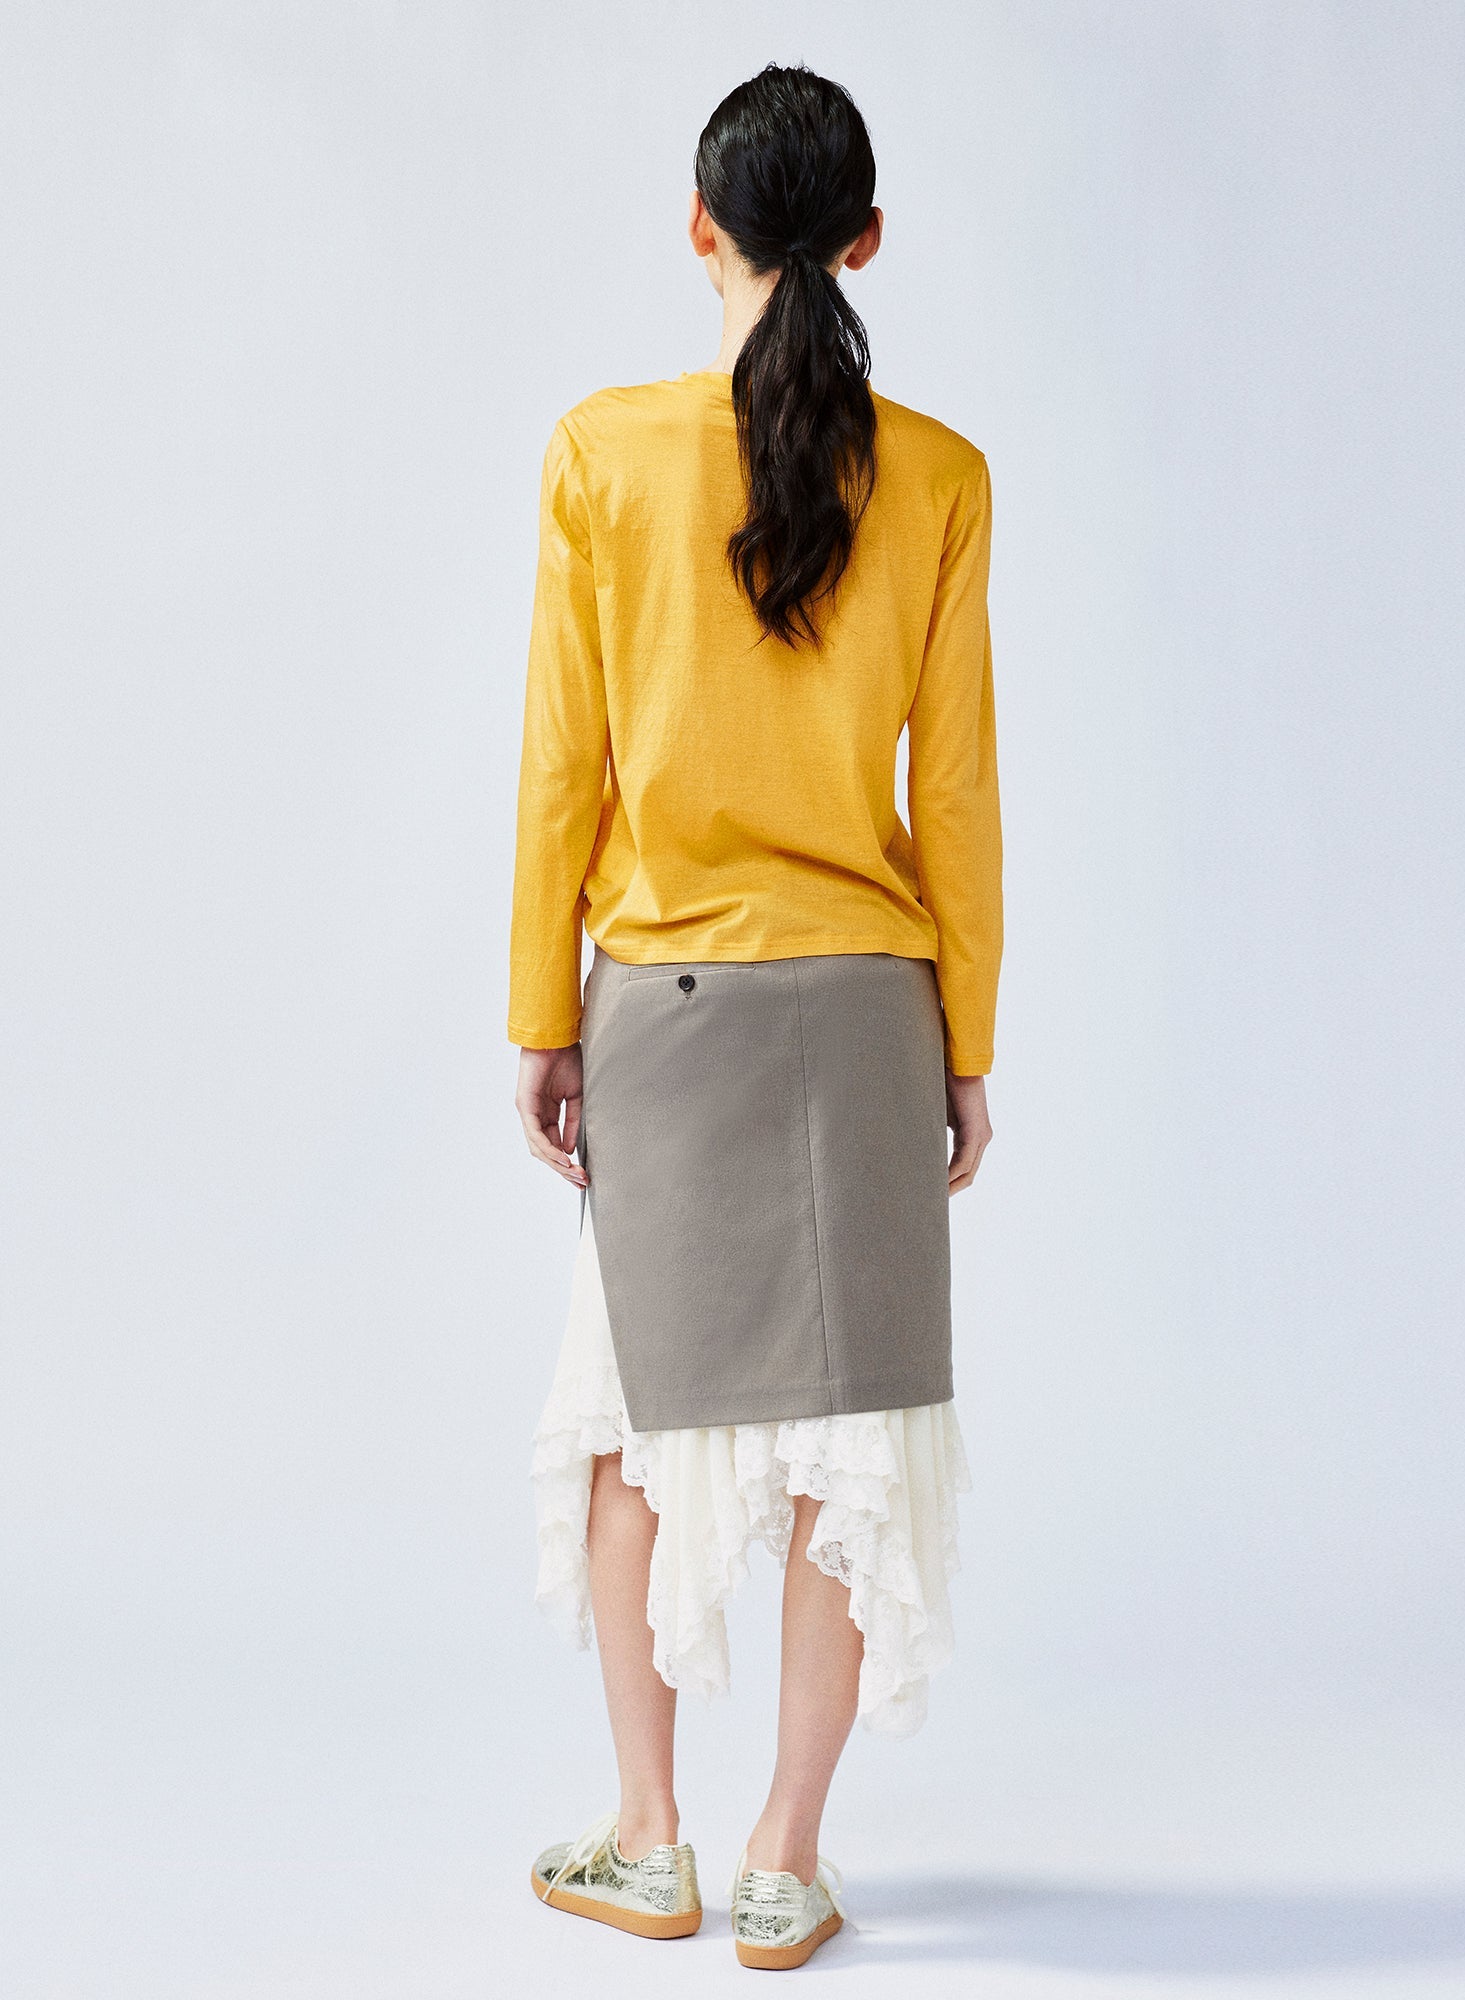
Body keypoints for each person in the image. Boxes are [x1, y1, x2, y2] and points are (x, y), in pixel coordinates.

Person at [508, 63, 1002, 1971]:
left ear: (698, 225)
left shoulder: (602, 455)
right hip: (872, 1010)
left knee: (638, 1424)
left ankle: (652, 1840)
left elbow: (563, 772)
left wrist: (539, 1010)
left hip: (665, 1000)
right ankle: (788, 1856)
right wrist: (968, 1045)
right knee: (849, 1444)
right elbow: (957, 792)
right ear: (866, 243)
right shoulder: (939, 476)